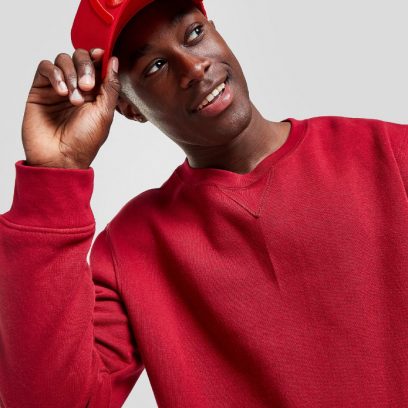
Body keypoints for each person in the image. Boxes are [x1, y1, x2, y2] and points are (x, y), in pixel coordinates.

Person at [0, 0, 407, 406]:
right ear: (127, 107)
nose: (194, 68)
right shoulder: (133, 247)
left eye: (194, 34)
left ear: (216, 30)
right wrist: (55, 175)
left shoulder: (390, 154)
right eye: (155, 66)